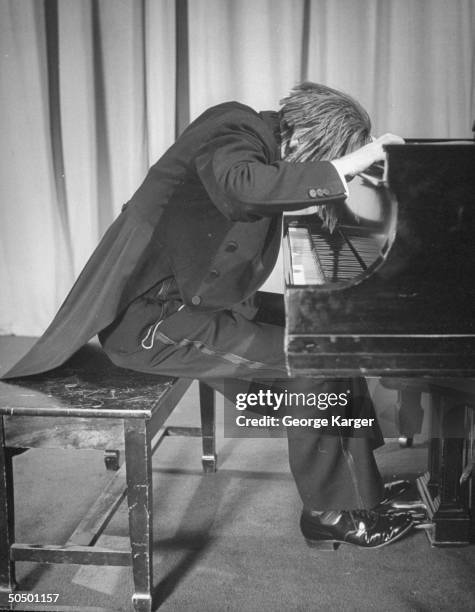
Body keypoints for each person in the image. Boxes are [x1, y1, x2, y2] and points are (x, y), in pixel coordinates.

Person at [4, 82, 414, 549]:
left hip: (203, 303)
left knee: (333, 334)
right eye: (325, 158)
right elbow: (243, 188)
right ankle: (327, 511)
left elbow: (290, 202)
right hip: (153, 326)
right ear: (304, 139)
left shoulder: (270, 151)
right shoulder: (233, 128)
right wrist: (346, 166)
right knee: (318, 362)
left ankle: (364, 493)